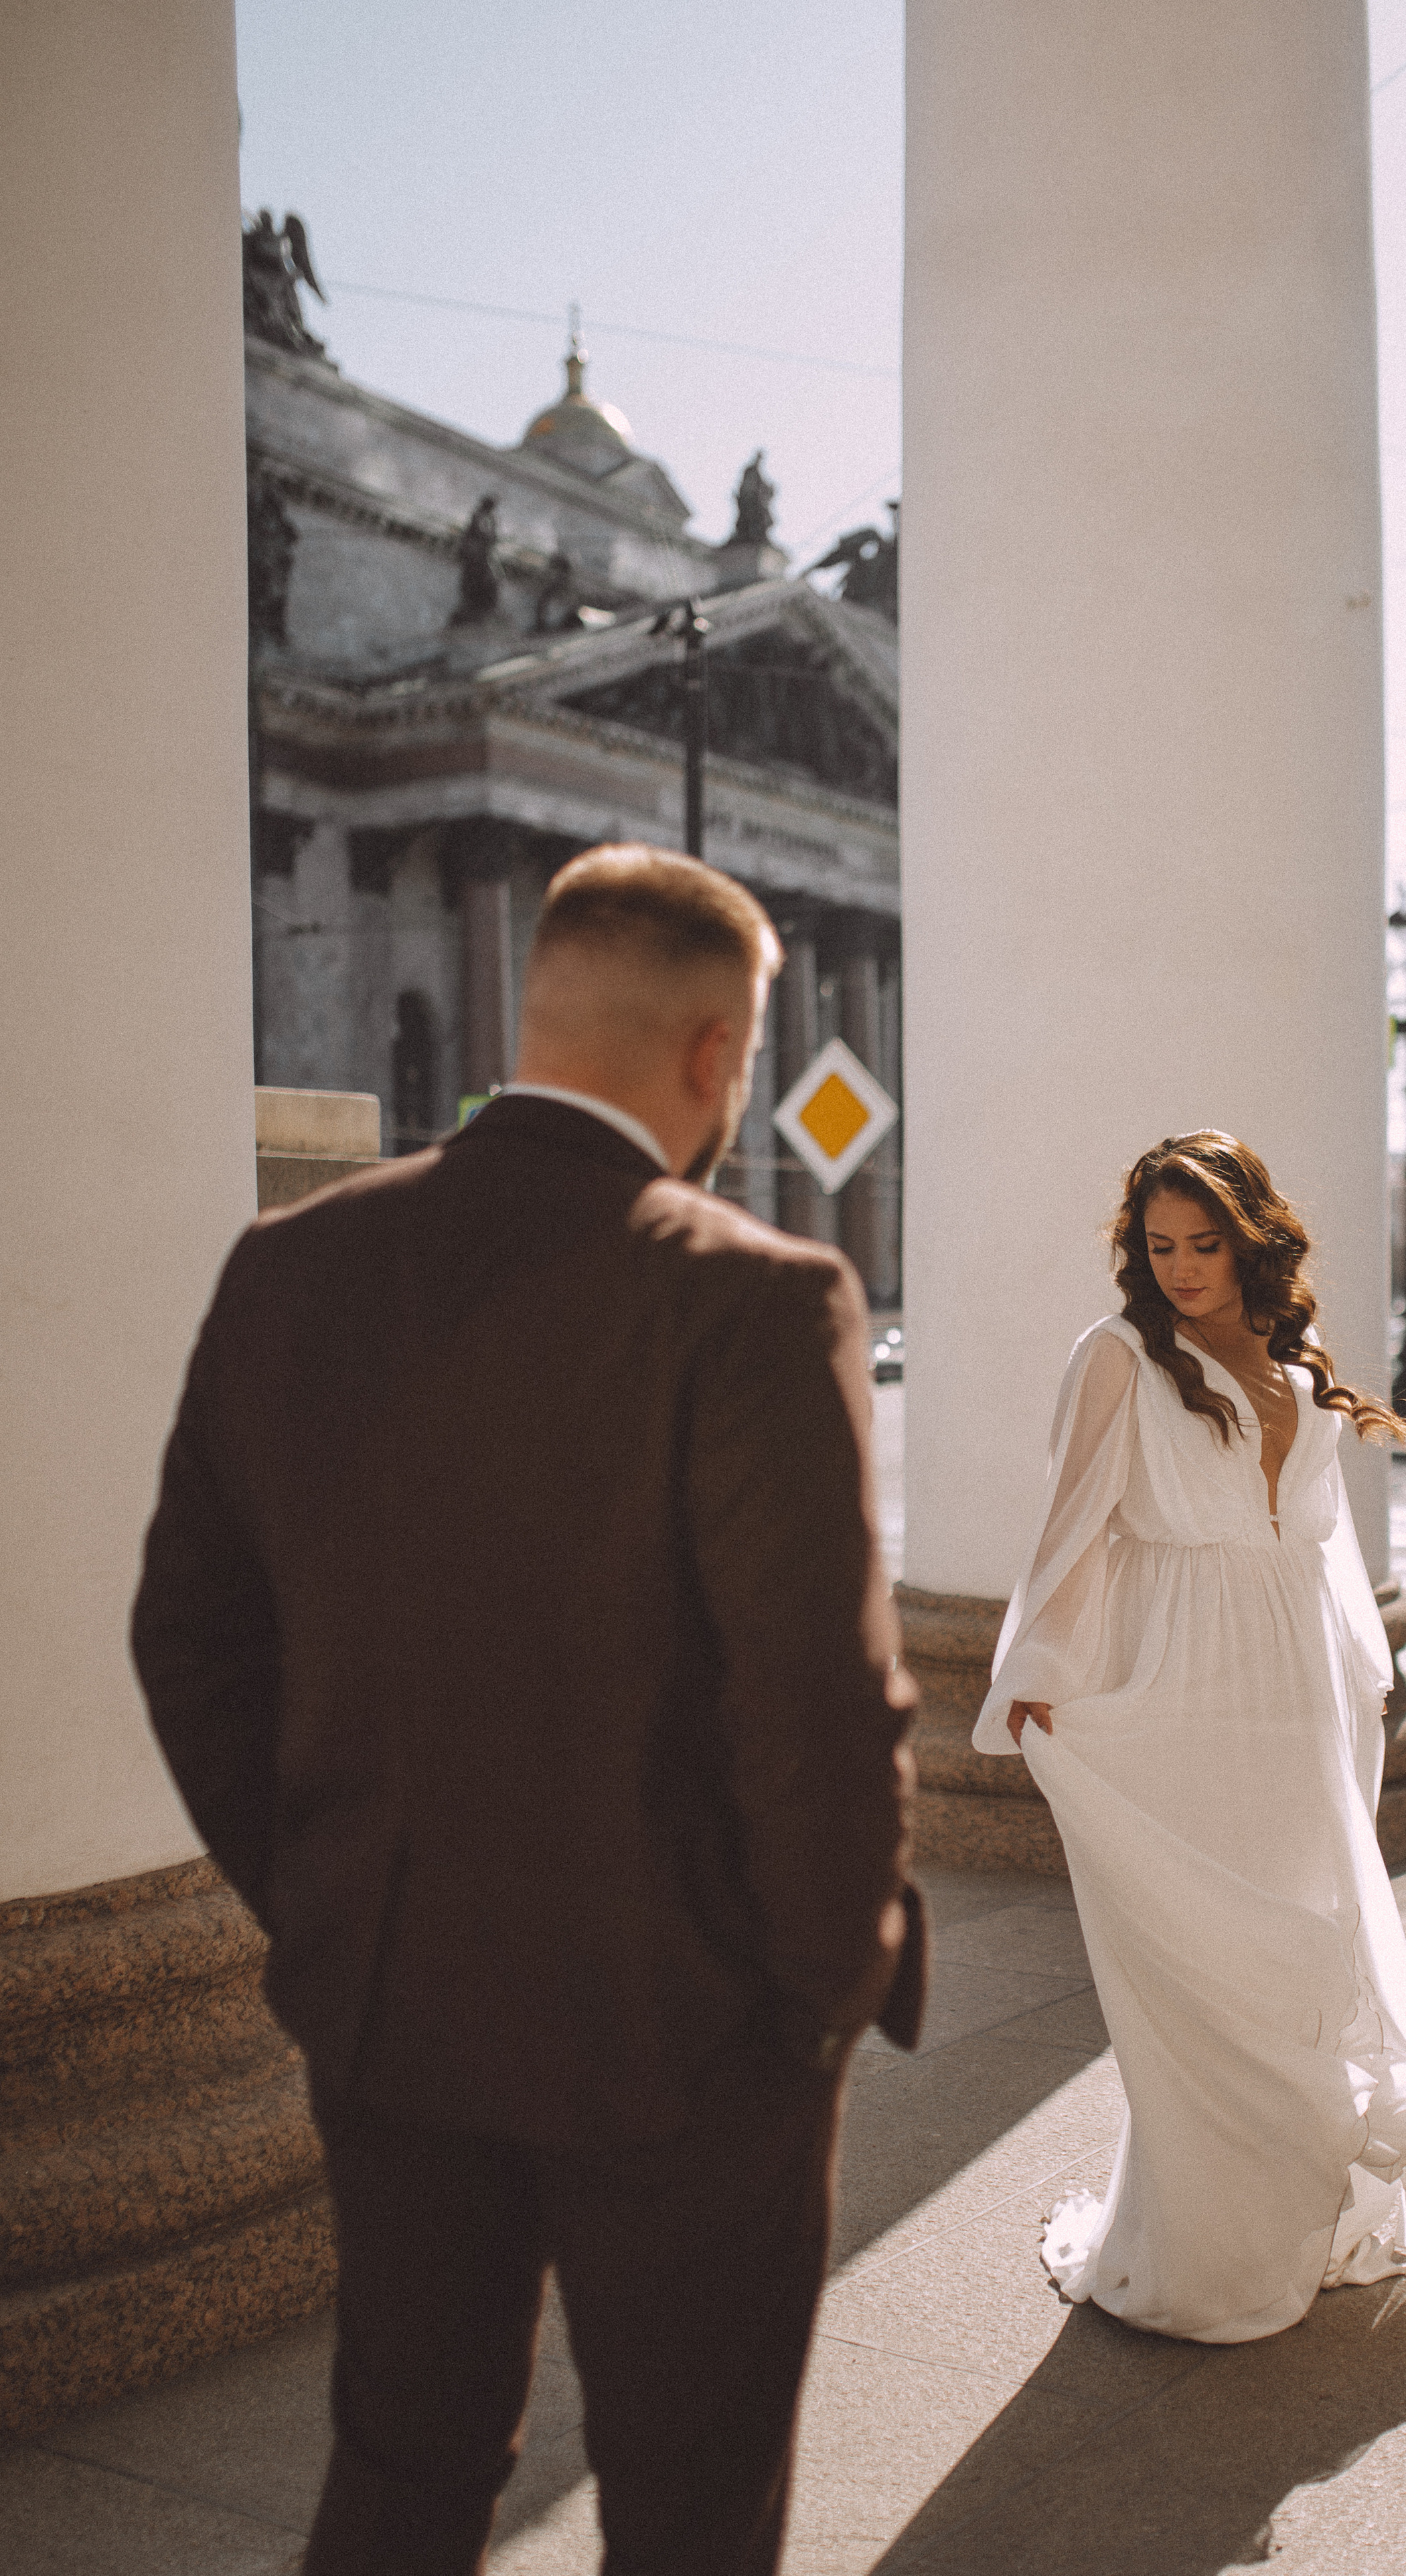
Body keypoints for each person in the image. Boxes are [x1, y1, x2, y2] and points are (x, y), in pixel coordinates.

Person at [131, 845, 924, 2576]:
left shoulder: (290, 1263)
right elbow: (817, 1708)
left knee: (406, 2462)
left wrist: (331, 1888)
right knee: (690, 2511)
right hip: (689, 2027)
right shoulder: (754, 1292)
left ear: (535, 1011)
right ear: (719, 1053)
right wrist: (821, 1988)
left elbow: (190, 1638)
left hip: (392, 1997)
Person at [975, 1132, 1406, 2344]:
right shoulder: (1120, 1356)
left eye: (1204, 1242)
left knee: (1304, 1953)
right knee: (1207, 1961)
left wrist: (1363, 1671)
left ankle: (1297, 2211)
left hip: (1298, 1685)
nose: (1180, 1267)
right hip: (1184, 1676)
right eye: (1159, 1244)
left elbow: (1325, 1536)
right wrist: (1037, 1673)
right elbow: (1072, 1529)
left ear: (1253, 1239)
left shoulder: (1297, 1355)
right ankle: (1201, 2247)